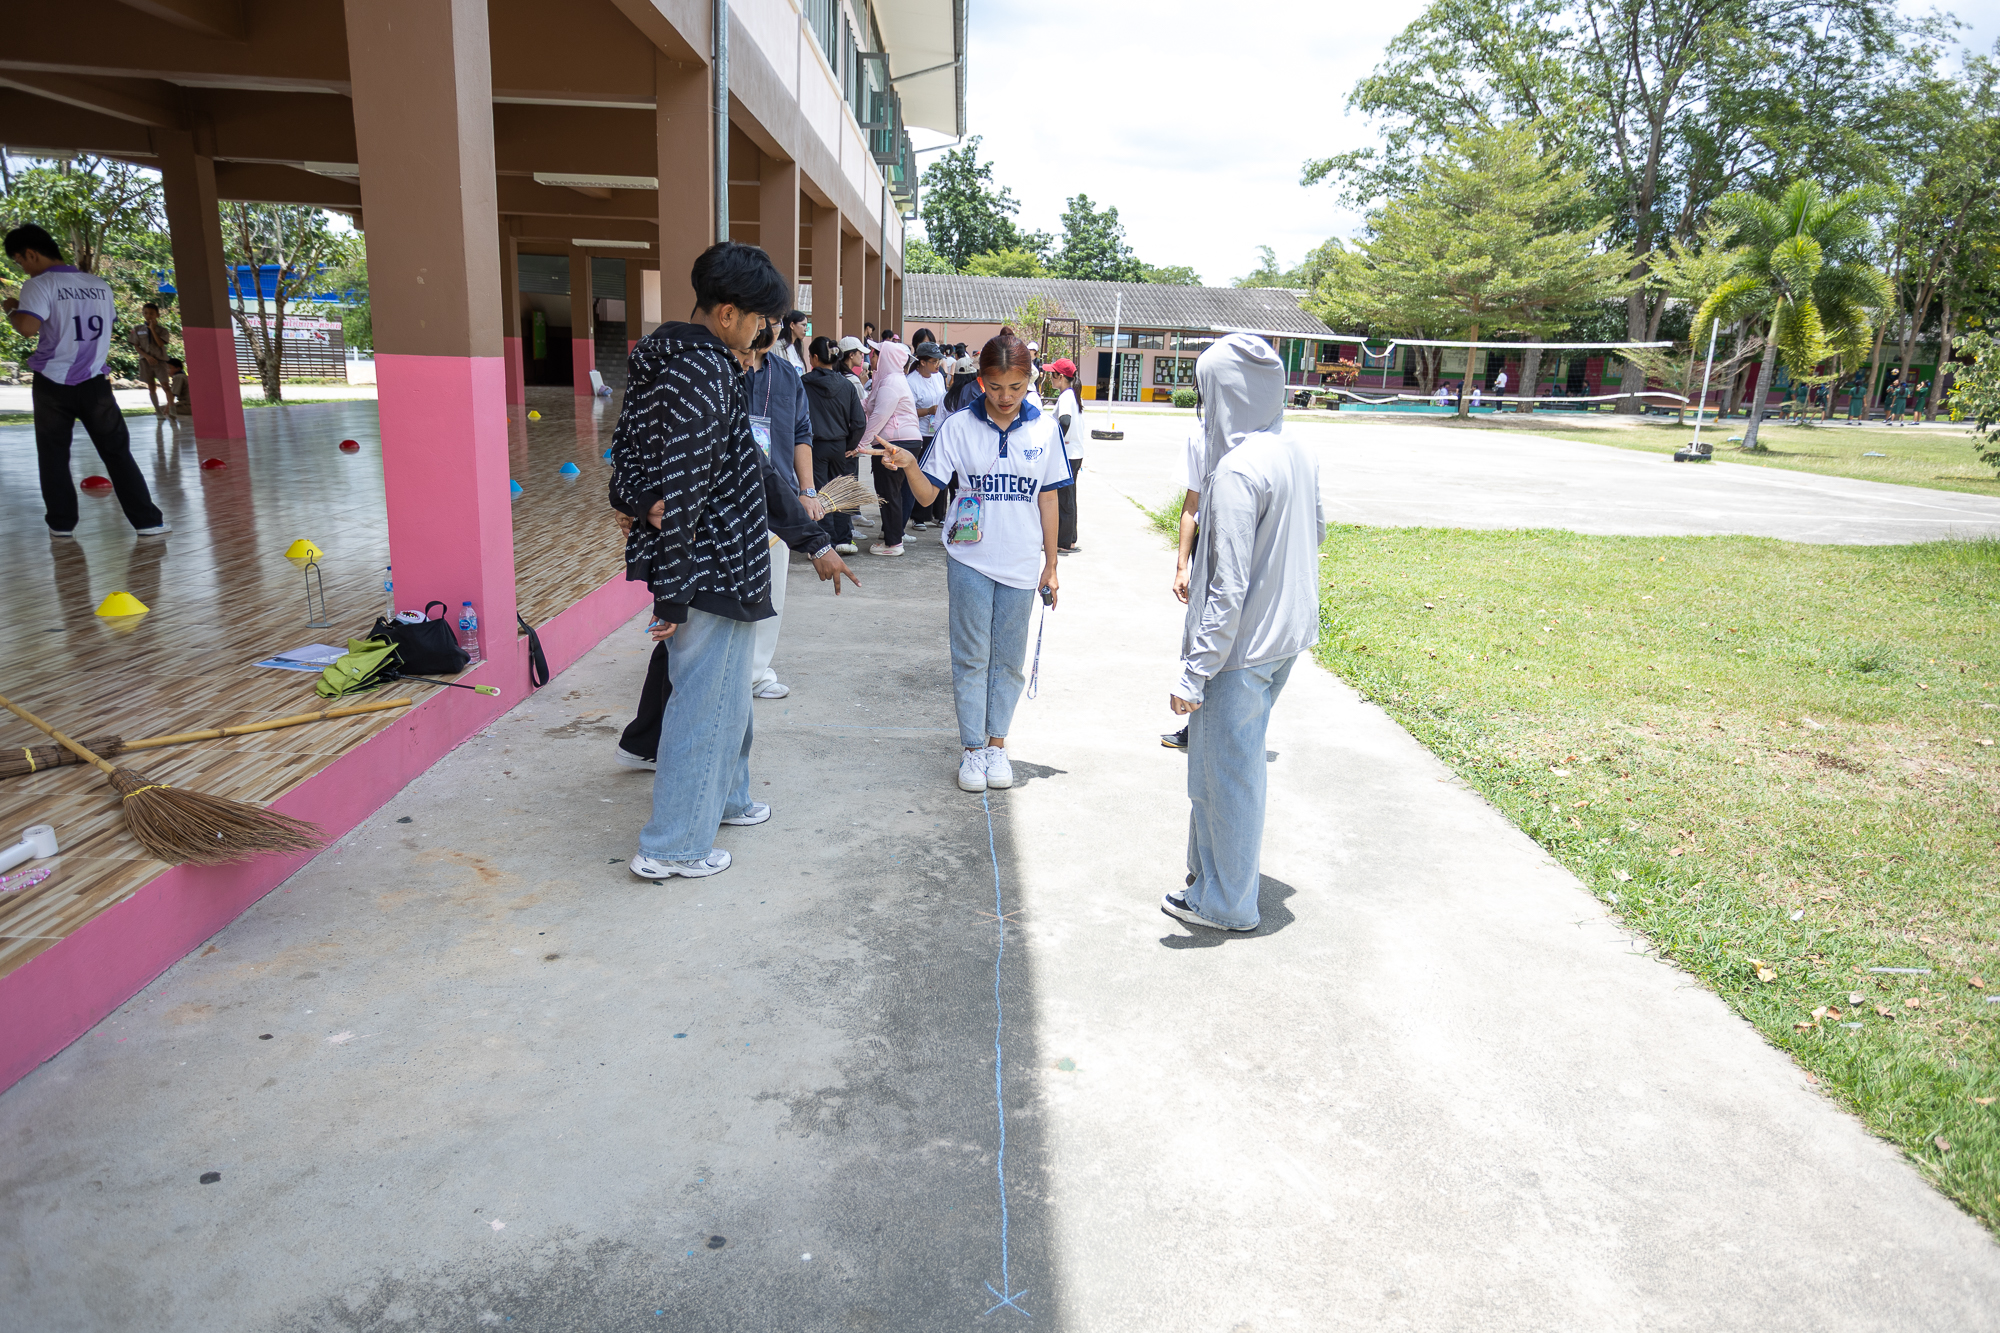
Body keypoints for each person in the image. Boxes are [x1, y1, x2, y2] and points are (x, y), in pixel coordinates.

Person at [608, 241, 856, 880]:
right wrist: (671, 595)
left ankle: (729, 800)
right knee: (705, 709)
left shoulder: (664, 362)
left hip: (718, 565)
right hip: (711, 568)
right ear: (726, 314)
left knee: (727, 697)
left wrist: (813, 541)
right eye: (758, 322)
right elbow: (684, 494)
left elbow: (639, 468)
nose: (762, 336)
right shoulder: (704, 373)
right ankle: (672, 847)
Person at [1163, 334, 1322, 934]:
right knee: (1225, 765)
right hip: (1285, 637)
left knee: (1225, 775)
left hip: (1238, 650)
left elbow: (1227, 589)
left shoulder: (1234, 471)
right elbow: (1316, 531)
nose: (1203, 409)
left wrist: (1194, 671)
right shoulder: (1295, 451)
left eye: (1206, 394)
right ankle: (1207, 876)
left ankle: (1227, 902)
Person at [875, 333, 1070, 793]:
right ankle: (972, 749)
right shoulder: (958, 427)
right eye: (995, 386)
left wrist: (1051, 565)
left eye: (1016, 387)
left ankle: (997, 745)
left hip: (1021, 563)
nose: (1005, 397)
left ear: (1029, 381)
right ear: (980, 381)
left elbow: (1049, 500)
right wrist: (909, 464)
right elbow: (929, 495)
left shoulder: (1044, 430)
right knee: (970, 658)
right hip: (968, 559)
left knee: (1009, 661)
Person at [4, 224, 168, 537]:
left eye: (19, 260)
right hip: (95, 382)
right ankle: (148, 522)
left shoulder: (39, 285)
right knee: (117, 453)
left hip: (52, 383)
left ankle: (61, 524)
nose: (22, 267)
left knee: (54, 455)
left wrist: (11, 309)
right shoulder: (99, 285)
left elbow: (26, 328)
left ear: (31, 253)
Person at [738, 319, 823, 700]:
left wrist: (807, 491)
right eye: (759, 319)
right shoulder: (724, 368)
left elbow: (802, 432)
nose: (763, 328)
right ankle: (725, 668)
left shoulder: (787, 374)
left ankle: (756, 673)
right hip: (730, 499)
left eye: (770, 322)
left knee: (772, 587)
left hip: (779, 500)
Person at [802, 334, 866, 554]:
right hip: (840, 446)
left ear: (814, 358)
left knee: (820, 493)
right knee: (840, 491)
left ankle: (824, 542)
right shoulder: (847, 385)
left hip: (813, 445)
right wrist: (850, 445)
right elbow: (859, 422)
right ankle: (844, 539)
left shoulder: (803, 383)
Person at [860, 339, 919, 556]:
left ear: (885, 357)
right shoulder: (886, 380)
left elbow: (879, 416)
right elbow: (867, 404)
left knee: (888, 492)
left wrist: (861, 443)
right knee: (892, 492)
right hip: (902, 440)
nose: (871, 357)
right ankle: (894, 536)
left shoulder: (891, 383)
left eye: (875, 354)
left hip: (895, 442)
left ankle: (893, 543)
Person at [907, 341, 951, 528]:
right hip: (921, 432)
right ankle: (919, 516)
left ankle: (939, 513)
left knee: (941, 470)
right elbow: (907, 410)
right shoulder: (911, 382)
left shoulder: (939, 377)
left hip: (938, 431)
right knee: (922, 473)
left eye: (939, 361)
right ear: (922, 362)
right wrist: (928, 411)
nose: (937, 365)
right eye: (934, 361)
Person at [1049, 358, 1084, 552]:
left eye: (1052, 374)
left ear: (1061, 376)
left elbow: (1064, 421)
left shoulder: (1066, 397)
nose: (1050, 378)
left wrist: (1056, 442)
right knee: (1069, 496)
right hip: (1075, 452)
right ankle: (1070, 538)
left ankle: (1063, 542)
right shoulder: (1073, 395)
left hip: (1068, 453)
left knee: (1064, 498)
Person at [130, 301, 173, 418]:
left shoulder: (162, 330)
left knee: (165, 385)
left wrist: (152, 329)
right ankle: (158, 411)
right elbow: (136, 346)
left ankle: (172, 410)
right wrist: (147, 356)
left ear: (157, 315)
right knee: (151, 386)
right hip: (146, 361)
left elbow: (160, 344)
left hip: (160, 361)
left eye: (151, 313)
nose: (148, 315)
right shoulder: (137, 329)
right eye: (146, 313)